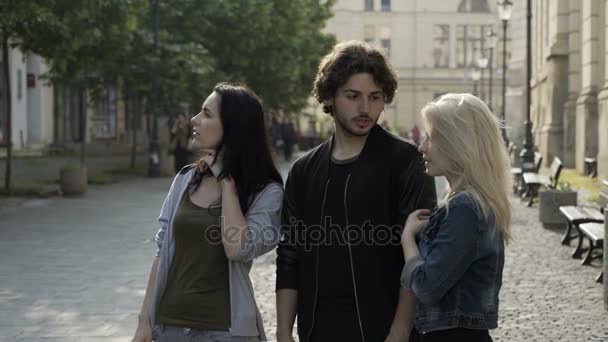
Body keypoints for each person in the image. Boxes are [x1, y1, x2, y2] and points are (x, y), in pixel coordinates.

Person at [275, 41, 436, 342]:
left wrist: (400, 331)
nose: (365, 108)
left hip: (385, 330)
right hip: (317, 331)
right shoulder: (304, 170)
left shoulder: (406, 161)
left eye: (375, 97)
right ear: (330, 96)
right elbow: (289, 255)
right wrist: (284, 331)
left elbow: (421, 251)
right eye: (353, 96)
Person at [132, 83, 284, 342]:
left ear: (233, 127)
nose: (194, 119)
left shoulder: (266, 193)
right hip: (170, 329)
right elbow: (162, 251)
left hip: (226, 332)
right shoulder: (185, 179)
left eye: (207, 114)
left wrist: (227, 183)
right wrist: (144, 320)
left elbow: (237, 248)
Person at [400, 93, 512, 342]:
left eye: (431, 138)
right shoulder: (473, 202)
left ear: (458, 143)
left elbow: (427, 287)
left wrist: (408, 239)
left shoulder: (465, 208)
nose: (422, 147)